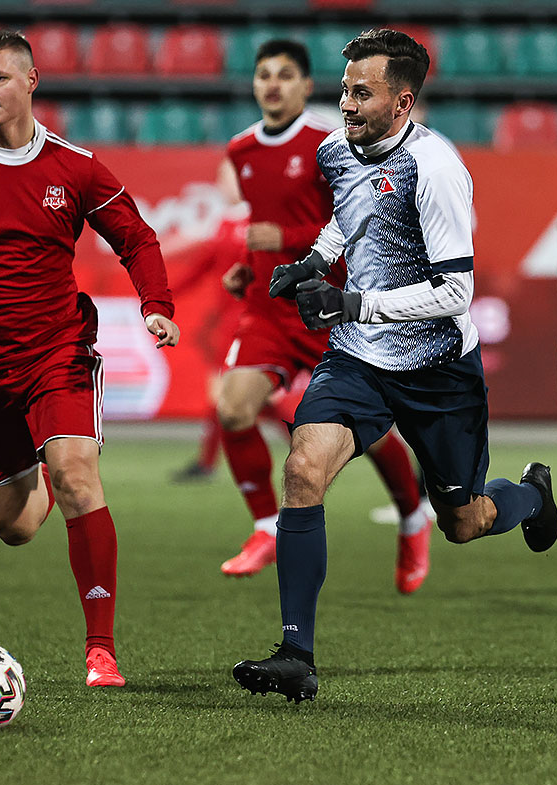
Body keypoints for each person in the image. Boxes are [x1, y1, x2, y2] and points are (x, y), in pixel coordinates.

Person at [231, 29, 557, 703]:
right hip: (359, 357)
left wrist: (354, 301)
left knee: (462, 523)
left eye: (362, 92)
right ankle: (296, 654)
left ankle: (530, 495)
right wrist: (314, 261)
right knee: (303, 469)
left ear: (403, 102)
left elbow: (455, 292)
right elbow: (348, 218)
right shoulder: (334, 149)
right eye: (344, 89)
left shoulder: (435, 169)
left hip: (438, 368)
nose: (345, 104)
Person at [0, 31, 179, 688]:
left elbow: (137, 238)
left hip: (57, 352)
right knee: (15, 526)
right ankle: (42, 467)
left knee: (78, 477)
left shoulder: (76, 167)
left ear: (30, 81)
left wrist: (156, 303)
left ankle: (100, 651)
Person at [216, 39, 432, 593]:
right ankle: (266, 527)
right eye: (264, 74)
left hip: (330, 308)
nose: (272, 84)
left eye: (285, 75)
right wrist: (247, 266)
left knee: (371, 432)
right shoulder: (241, 149)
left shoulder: (332, 143)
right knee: (233, 409)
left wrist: (286, 238)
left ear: (307, 86)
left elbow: (363, 216)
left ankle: (412, 517)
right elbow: (263, 223)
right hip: (268, 310)